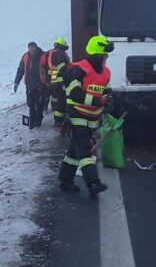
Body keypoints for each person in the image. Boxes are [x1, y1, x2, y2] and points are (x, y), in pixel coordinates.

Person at [58, 35, 114, 197]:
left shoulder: (106, 72)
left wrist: (109, 101)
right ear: (97, 55)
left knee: (74, 152)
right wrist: (99, 101)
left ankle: (65, 180)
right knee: (84, 150)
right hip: (76, 114)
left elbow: (106, 91)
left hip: (92, 117)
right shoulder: (78, 70)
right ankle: (93, 183)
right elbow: (74, 93)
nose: (106, 58)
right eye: (105, 55)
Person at [13, 41, 48, 129]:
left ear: (36, 48)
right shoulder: (25, 56)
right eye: (30, 50)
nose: (32, 52)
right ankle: (32, 123)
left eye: (33, 49)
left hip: (41, 85)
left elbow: (49, 70)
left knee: (39, 104)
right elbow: (20, 70)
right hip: (29, 85)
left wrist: (49, 83)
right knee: (30, 104)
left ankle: (38, 120)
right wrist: (16, 82)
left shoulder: (43, 56)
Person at [44, 36, 70, 130]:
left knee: (57, 100)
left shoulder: (50, 53)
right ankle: (59, 120)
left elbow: (50, 69)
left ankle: (58, 119)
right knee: (62, 102)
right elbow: (62, 67)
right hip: (60, 81)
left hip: (53, 81)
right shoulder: (60, 54)